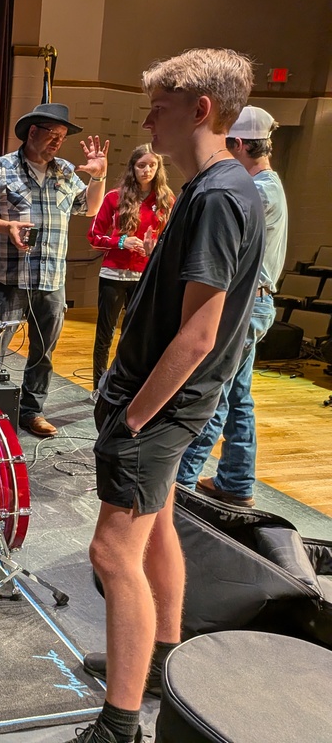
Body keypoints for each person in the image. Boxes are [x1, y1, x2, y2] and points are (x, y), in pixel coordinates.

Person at [76, 48, 263, 743]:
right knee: (155, 528)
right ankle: (159, 661)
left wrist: (133, 418)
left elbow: (198, 335)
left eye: (159, 108)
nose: (148, 121)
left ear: (201, 110)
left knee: (111, 554)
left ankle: (119, 725)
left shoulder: (216, 196)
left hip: (161, 408)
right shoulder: (220, 187)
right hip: (172, 406)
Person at [0, 103, 109, 437]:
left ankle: (32, 411)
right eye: (52, 134)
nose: (58, 142)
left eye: (62, 136)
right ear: (32, 132)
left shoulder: (65, 171)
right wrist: (6, 227)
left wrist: (98, 177)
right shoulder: (0, 168)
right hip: (7, 280)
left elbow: (89, 208)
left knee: (43, 353)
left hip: (52, 280)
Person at [176, 106, 287, 507]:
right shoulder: (269, 185)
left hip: (245, 308)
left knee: (212, 396)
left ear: (239, 144)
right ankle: (236, 481)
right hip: (256, 306)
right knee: (238, 395)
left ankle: (180, 487)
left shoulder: (257, 191)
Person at [88, 144, 175, 389]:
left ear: (159, 168)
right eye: (141, 165)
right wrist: (122, 241)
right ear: (132, 168)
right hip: (113, 274)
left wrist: (155, 247)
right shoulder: (114, 197)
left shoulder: (167, 200)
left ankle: (127, 385)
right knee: (105, 334)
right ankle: (98, 387)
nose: (147, 170)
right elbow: (94, 236)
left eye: (152, 165)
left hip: (145, 275)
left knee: (137, 334)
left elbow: (171, 240)